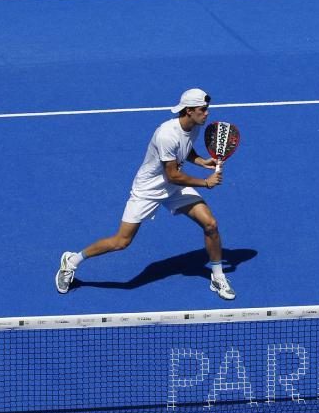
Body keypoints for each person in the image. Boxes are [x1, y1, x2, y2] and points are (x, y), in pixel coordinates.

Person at [56, 88, 236, 300]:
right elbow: (172, 175)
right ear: (188, 111)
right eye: (203, 110)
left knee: (210, 224)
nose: (207, 114)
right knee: (121, 241)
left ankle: (217, 276)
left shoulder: (195, 126)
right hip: (149, 189)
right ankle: (72, 261)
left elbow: (185, 149)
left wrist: (200, 161)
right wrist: (206, 183)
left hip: (173, 186)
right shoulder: (166, 134)